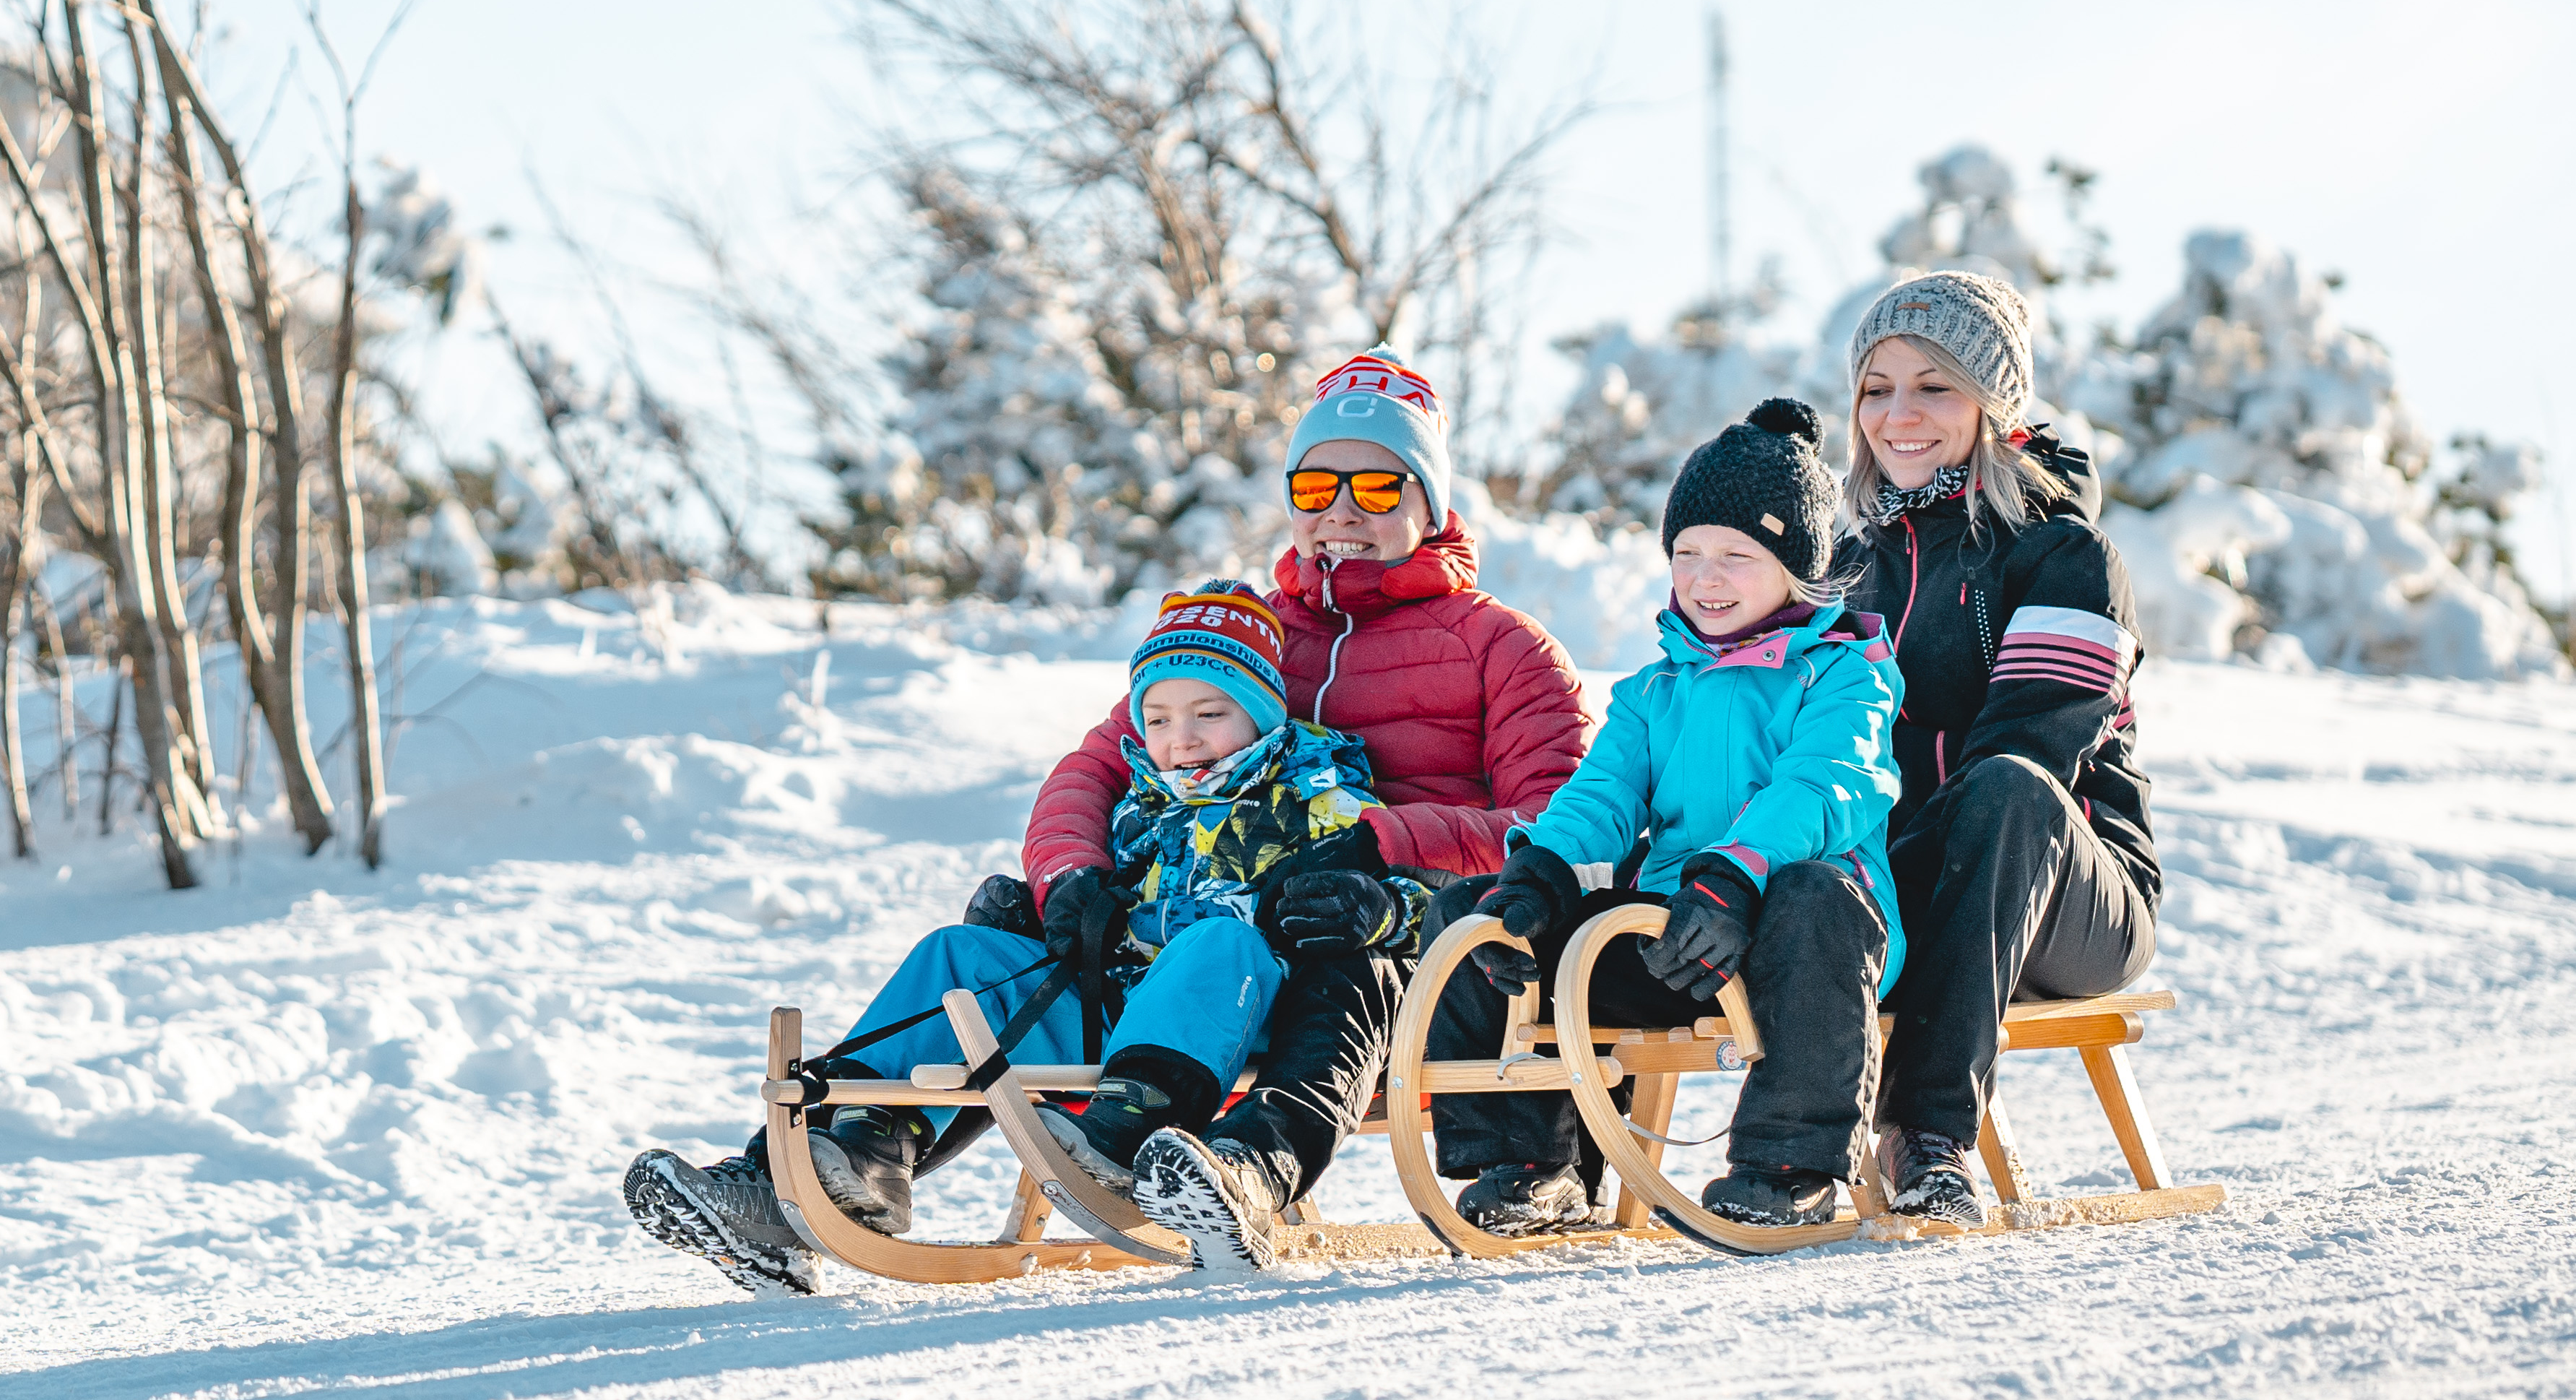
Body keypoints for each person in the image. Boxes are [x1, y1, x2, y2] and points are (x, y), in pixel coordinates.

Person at [618, 345, 1585, 1287]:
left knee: (1312, 935)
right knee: (984, 936)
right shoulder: (1234, 638)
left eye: (1377, 489)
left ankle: (1174, 1146)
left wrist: (1380, 844)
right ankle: (822, 1165)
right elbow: (1093, 768)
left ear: (1429, 499)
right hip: (1183, 930)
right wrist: (1070, 874)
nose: (1340, 512)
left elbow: (1557, 824)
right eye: (1314, 486)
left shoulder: (1501, 648)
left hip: (1371, 940)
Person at [621, 579, 1391, 1290]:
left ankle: (1131, 1132)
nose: (1180, 738)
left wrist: (1376, 909)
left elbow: (1393, 896)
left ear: (1263, 713)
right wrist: (1061, 907)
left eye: (1208, 714)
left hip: (1236, 1012)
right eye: (1157, 719)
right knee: (956, 954)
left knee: (1217, 939)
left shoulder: (1318, 798)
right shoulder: (1138, 805)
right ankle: (842, 1155)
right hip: (1116, 1003)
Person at [1418, 400, 1904, 1234]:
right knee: (1475, 912)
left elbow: (1825, 783)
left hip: (1797, 934)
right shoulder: (1653, 691)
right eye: (1686, 554)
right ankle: (1535, 1164)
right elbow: (1601, 795)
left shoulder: (1846, 673)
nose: (1705, 577)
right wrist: (1540, 870)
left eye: (1735, 556)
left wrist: (1735, 872)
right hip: (1676, 932)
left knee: (1813, 895)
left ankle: (1789, 1165)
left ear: (1797, 570)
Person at [1843, 269, 2155, 1227]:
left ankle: (1926, 1133)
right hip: (1910, 886)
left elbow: (2025, 747)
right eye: (1874, 387)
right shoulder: (1845, 569)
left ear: (1992, 401)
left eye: (1932, 385)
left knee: (2006, 789)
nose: (1898, 413)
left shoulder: (2061, 555)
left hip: (2069, 892)